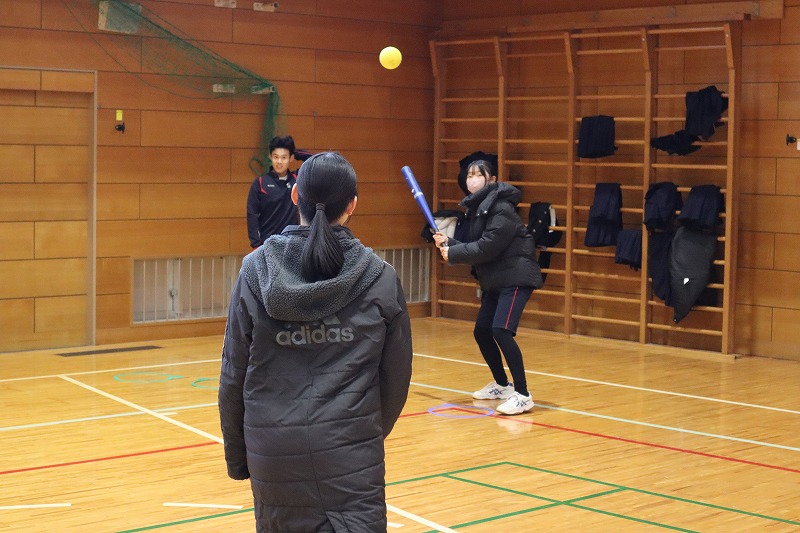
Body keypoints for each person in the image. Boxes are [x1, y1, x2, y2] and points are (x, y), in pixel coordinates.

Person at [219, 151, 413, 531]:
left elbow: (232, 376)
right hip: (351, 453)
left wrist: (239, 458)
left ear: (295, 196)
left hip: (273, 453)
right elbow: (396, 380)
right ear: (352, 205)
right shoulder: (382, 278)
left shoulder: (253, 271)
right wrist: (360, 433)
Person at [432, 159, 542, 415]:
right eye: (469, 175)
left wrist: (454, 253)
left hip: (515, 277)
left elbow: (488, 247)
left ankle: (523, 395)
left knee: (501, 331)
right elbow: (477, 245)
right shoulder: (478, 209)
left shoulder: (501, 208)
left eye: (478, 175)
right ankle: (502, 385)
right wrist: (449, 242)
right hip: (496, 278)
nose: (472, 180)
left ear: (491, 180)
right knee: (482, 331)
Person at [246, 135, 300, 249]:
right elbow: (252, 216)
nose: (279, 161)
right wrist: (256, 245)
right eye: (276, 157)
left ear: (291, 158)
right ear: (270, 157)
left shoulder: (297, 180)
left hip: (292, 245)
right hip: (267, 246)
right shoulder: (260, 182)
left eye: (284, 157)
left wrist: (297, 154)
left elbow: (317, 161)